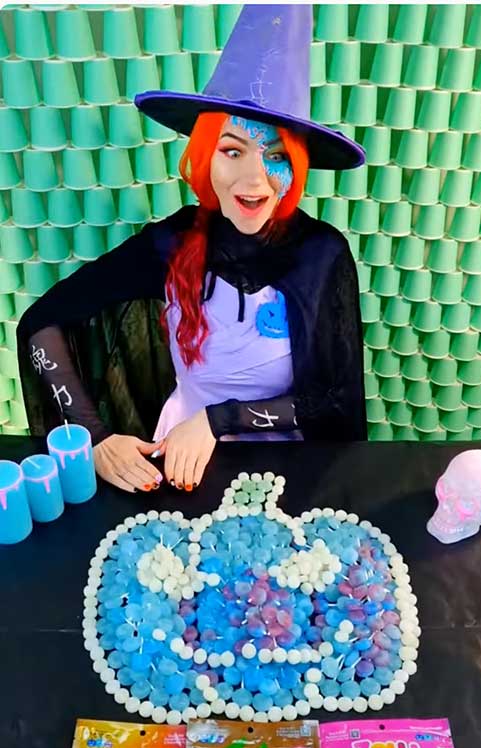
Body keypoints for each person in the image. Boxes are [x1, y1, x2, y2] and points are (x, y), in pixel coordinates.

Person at [17, 4, 367, 494]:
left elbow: (333, 400)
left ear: (298, 167)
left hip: (286, 455)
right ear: (204, 157)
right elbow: (41, 324)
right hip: (175, 453)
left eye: (277, 156)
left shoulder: (322, 254)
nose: (254, 180)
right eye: (232, 150)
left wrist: (217, 420)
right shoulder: (173, 241)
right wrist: (92, 438)